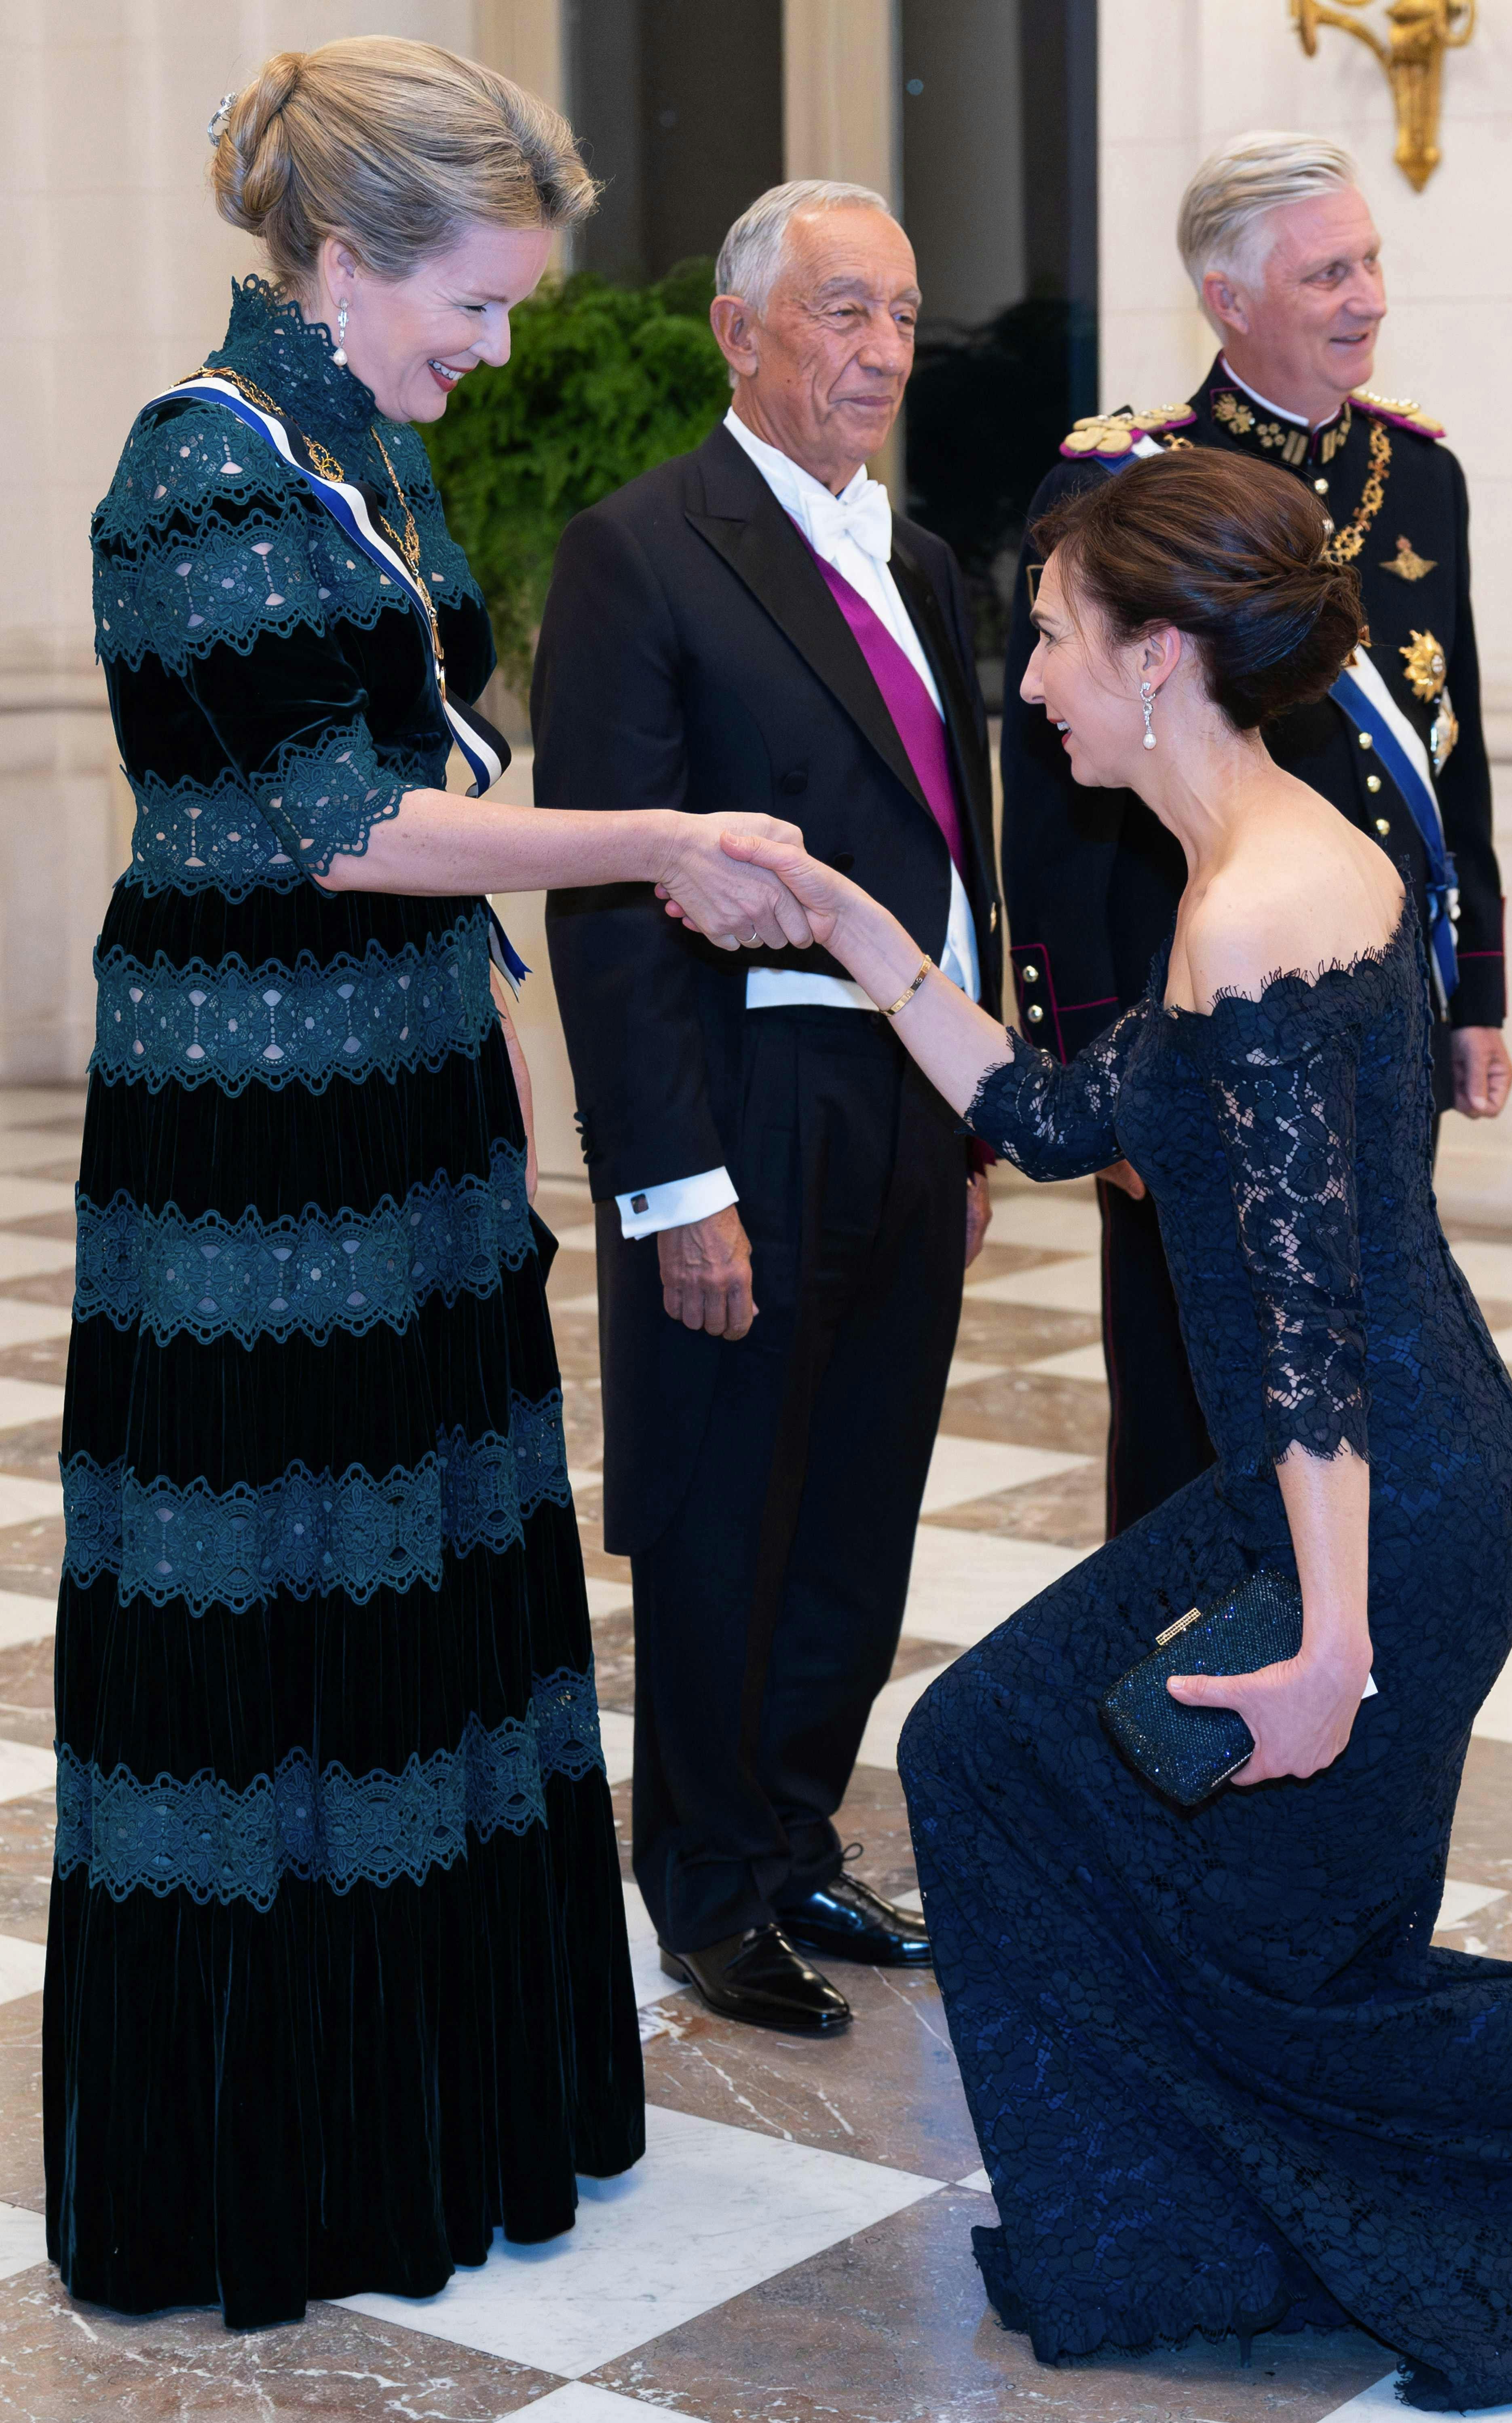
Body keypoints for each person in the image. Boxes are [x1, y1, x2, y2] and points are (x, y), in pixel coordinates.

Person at [718, 446, 1512, 2408]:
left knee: (1307, 1974)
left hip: (1380, 1506)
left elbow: (1306, 1335)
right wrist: (852, 918)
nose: (1027, 681)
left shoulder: (1264, 907)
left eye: (1049, 639)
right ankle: (1183, 2220)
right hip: (1352, 1484)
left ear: (1161, 655)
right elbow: (1050, 1124)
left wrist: (1330, 1644)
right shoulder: (1264, 862)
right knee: (1001, 1749)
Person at [55, 38, 810, 2326]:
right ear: (341, 253)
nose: (495, 354)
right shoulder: (194, 472)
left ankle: (458, 2108)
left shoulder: (357, 437)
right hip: (253, 1159)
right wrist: (660, 838)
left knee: (430, 1598)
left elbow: (416, 771)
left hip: (394, 1106)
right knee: (287, 1616)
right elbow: (345, 825)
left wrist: (501, 1050)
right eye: (470, 305)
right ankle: (278, 2168)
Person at [532, 180, 1001, 2039]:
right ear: (741, 333)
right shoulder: (644, 552)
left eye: (897, 312)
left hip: (901, 1091)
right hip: (743, 1094)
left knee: (861, 1493)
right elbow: (604, 903)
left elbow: (961, 859)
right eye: (836, 312)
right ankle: (708, 1883)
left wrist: (976, 1106)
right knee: (733, 1499)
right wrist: (669, 1182)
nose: (879, 350)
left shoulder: (925, 557)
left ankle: (797, 1825)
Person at [1002, 129, 1511, 1537]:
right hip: (1188, 1019)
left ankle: (1353, 1636)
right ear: (1227, 300)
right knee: (1187, 1400)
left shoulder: (1422, 481)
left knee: (1369, 1344)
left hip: (1372, 1012)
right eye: (1328, 272)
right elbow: (1047, 810)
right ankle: (1169, 1711)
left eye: (1370, 262)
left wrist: (1474, 995)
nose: (1367, 298)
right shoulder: (1118, 489)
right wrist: (1086, 1066)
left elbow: (1453, 745)